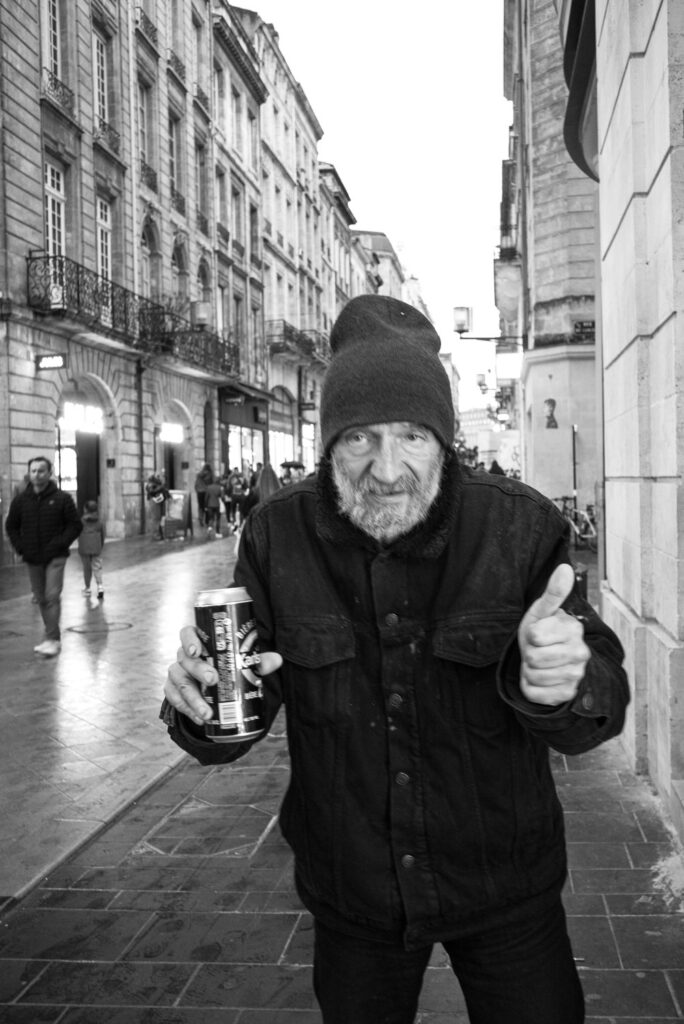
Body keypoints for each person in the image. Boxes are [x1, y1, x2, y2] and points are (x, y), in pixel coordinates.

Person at [162, 294, 629, 1024]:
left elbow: (601, 705)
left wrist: (567, 684)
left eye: (411, 436)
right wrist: (195, 706)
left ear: (444, 439)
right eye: (358, 438)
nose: (386, 469)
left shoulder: (519, 527)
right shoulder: (277, 537)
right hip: (355, 893)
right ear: (327, 445)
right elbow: (234, 711)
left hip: (504, 881)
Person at [5, 455, 82, 656]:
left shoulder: (62, 499)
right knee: (40, 598)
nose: (37, 474)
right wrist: (21, 547)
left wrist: (60, 543)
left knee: (52, 596)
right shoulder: (21, 501)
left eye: (41, 471)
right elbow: (11, 526)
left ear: (49, 473)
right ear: (29, 474)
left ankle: (53, 639)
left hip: (56, 556)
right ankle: (51, 636)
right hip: (32, 556)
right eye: (33, 471)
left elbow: (75, 525)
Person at [78, 499, 105, 598]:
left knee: (87, 568)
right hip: (96, 546)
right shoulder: (99, 521)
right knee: (97, 567)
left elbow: (77, 532)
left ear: (86, 510)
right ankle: (100, 587)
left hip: (84, 547)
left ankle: (88, 588)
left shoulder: (81, 521)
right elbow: (102, 534)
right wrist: (100, 545)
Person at [145, 473, 169, 540]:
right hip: (154, 501)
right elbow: (152, 491)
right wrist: (161, 487)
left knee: (160, 517)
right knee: (156, 518)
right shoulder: (151, 484)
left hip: (160, 500)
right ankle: (156, 535)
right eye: (158, 477)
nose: (160, 478)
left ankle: (160, 534)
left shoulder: (159, 483)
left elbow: (163, 490)